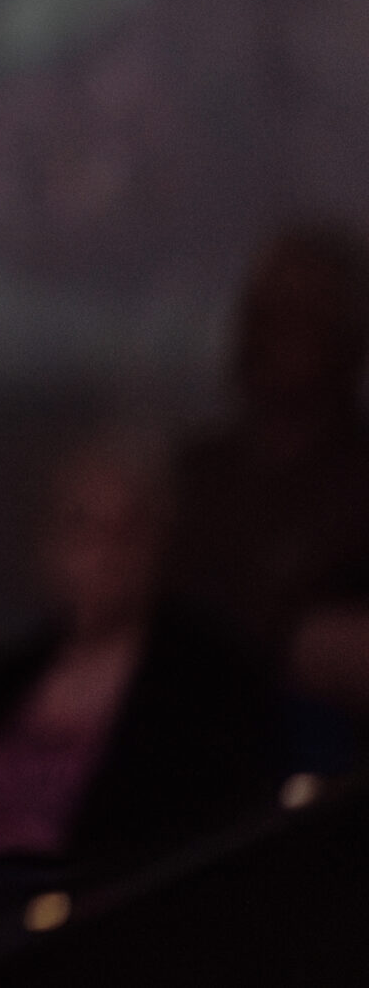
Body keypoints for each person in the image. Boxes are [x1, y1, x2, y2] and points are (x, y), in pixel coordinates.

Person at [0, 430, 277, 863]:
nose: (106, 548)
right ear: (46, 543)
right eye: (81, 524)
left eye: (129, 526)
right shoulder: (2, 677)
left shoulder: (209, 680)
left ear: (163, 540)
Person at [168, 226, 369, 734]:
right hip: (189, 726)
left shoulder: (358, 480)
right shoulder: (196, 473)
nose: (281, 330)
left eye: (306, 311)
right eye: (268, 311)